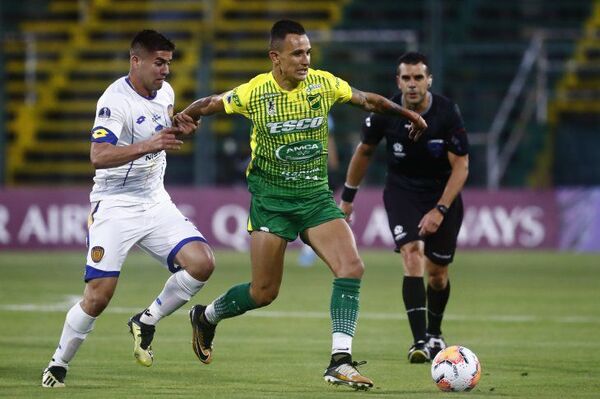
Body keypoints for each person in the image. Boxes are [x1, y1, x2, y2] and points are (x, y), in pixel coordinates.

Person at [174, 20, 427, 390]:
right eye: (297, 53)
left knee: (352, 267)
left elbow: (367, 99)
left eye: (308, 52)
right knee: (264, 292)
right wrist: (187, 116)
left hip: (314, 197)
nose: (306, 59)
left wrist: (408, 114)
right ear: (275, 58)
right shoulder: (255, 92)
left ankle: (340, 360)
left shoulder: (322, 84)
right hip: (272, 201)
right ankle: (207, 316)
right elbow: (212, 103)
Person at [41, 30, 215, 388]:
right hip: (115, 206)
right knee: (98, 296)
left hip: (155, 200)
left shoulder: (165, 92)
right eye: (158, 62)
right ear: (136, 61)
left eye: (168, 62)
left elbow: (162, 133)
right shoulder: (114, 101)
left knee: (202, 263)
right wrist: (151, 142)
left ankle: (146, 321)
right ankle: (58, 363)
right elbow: (98, 155)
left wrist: (178, 130)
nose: (165, 69)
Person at [339, 52, 469, 364]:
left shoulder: (447, 113)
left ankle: (436, 332)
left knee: (437, 273)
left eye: (418, 78)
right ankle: (420, 341)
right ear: (398, 81)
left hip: (442, 194)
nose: (412, 84)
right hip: (402, 192)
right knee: (412, 255)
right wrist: (347, 198)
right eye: (406, 78)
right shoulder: (386, 111)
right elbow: (364, 151)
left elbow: (461, 167)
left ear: (429, 81)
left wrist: (439, 209)